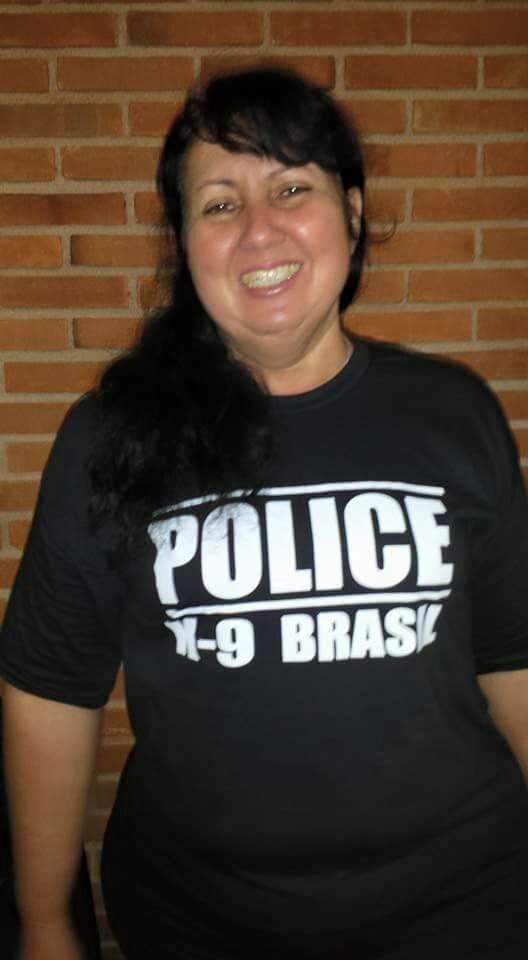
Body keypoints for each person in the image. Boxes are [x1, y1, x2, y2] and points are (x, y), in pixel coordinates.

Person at [1, 67, 527, 960]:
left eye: (291, 188)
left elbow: (515, 657)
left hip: (462, 910)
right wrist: (46, 922)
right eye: (219, 204)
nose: (258, 230)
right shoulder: (111, 436)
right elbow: (50, 689)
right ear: (185, 243)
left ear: (351, 213)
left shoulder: (454, 413)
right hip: (201, 922)